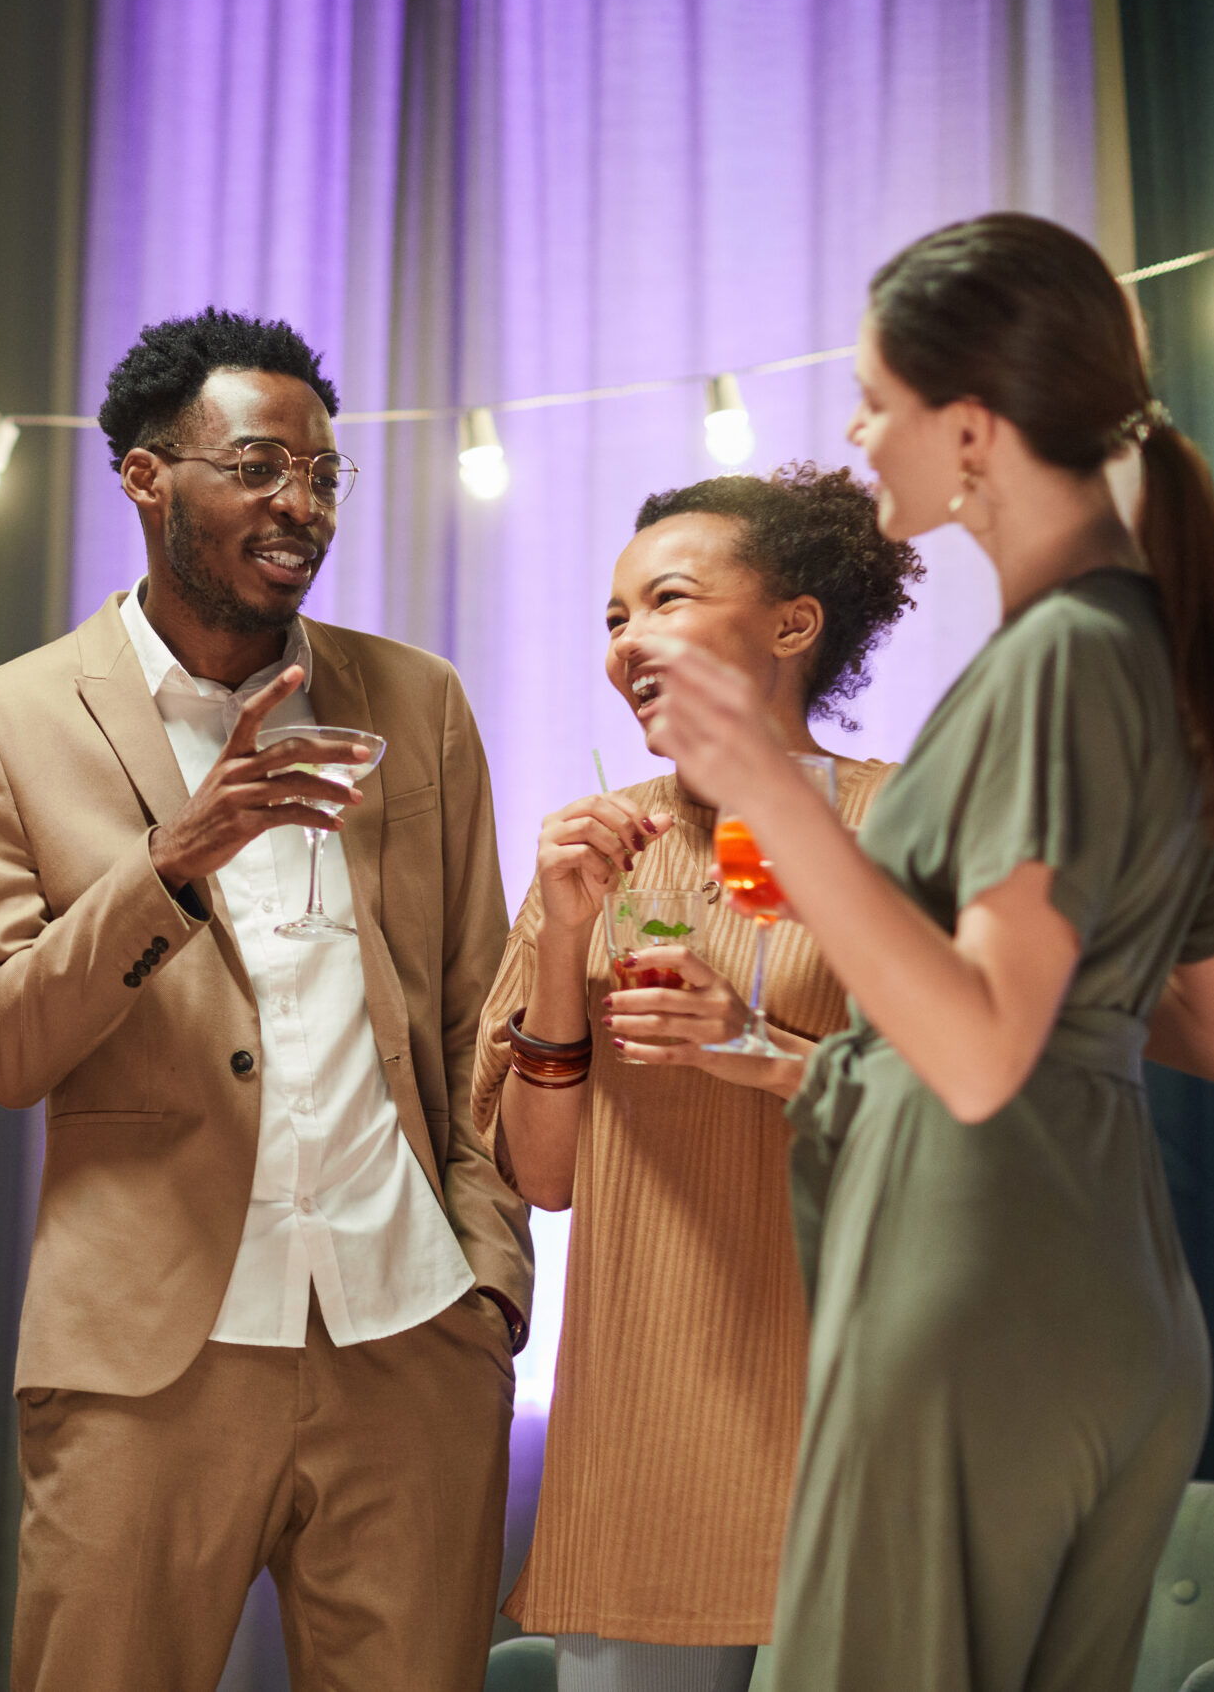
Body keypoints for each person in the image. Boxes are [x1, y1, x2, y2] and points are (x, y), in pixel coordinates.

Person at [638, 212, 1214, 1690]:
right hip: (1121, 1304)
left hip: (979, 1275)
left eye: (878, 398)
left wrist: (777, 797)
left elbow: (982, 1047)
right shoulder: (1153, 651)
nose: (858, 432)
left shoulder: (1053, 661)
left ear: (973, 429)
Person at [0, 308, 530, 1691]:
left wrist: (488, 1279)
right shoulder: (8, 721)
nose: (301, 507)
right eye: (261, 466)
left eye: (323, 476)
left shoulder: (418, 701)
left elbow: (476, 1016)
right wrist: (171, 862)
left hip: (413, 1337)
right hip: (149, 1355)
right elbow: (0, 1040)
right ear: (147, 476)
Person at [469, 466, 922, 1692]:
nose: (626, 640)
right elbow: (542, 1178)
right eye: (613, 619)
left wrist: (763, 1053)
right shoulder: (592, 848)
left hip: (860, 1413)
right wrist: (562, 942)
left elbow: (981, 1114)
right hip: (645, 1423)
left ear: (791, 624)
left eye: (664, 599)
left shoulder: (902, 827)